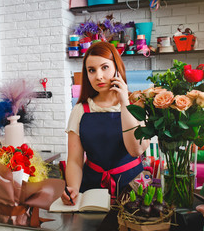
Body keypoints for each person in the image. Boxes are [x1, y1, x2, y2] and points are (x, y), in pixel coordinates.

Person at [62, 42, 150, 205]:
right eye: (91, 70)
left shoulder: (137, 105)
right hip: (91, 188)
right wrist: (73, 188)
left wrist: (124, 102)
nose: (99, 76)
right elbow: (74, 160)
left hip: (133, 186)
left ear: (117, 68)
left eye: (105, 67)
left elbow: (135, 150)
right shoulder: (81, 110)